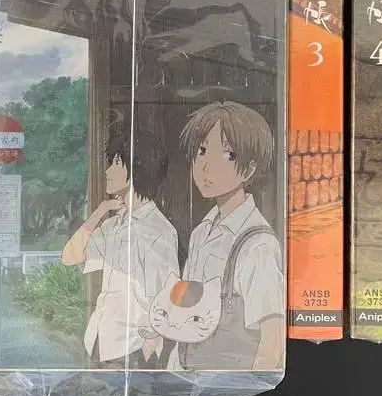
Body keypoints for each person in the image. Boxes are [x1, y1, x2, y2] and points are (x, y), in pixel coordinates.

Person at [175, 100, 284, 370]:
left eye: (227, 154)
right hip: (190, 373)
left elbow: (272, 341)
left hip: (230, 380)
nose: (206, 165)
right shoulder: (201, 233)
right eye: (202, 151)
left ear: (249, 169)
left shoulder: (257, 244)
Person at [62, 129, 179, 369]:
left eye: (116, 163)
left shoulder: (158, 230)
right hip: (99, 342)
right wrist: (99, 212)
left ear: (138, 168)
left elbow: (168, 296)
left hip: (132, 350)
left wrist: (148, 349)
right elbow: (70, 257)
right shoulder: (113, 225)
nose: (107, 172)